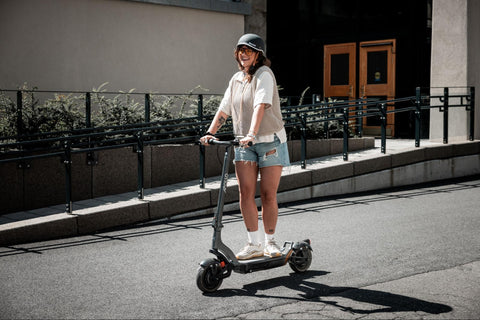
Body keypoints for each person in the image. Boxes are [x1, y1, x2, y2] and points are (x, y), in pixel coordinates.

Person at [200, 33, 290, 260]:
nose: (243, 54)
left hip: (269, 141)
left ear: (258, 54)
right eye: (240, 50)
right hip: (244, 143)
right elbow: (224, 108)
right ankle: (253, 243)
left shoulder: (264, 75)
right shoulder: (236, 79)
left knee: (268, 194)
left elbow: (261, 105)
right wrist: (211, 132)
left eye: (248, 51)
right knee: (245, 193)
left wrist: (252, 133)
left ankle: (270, 242)